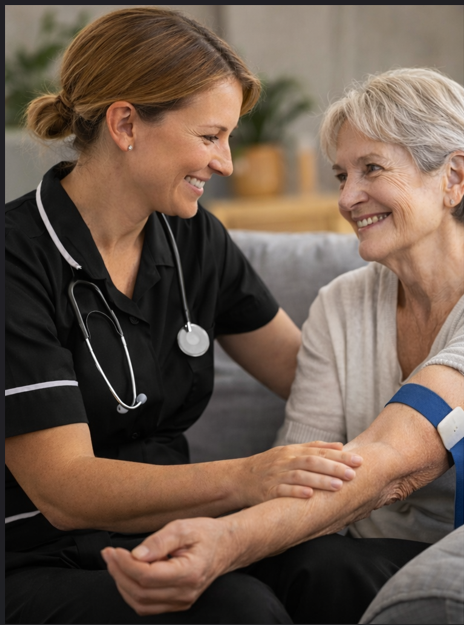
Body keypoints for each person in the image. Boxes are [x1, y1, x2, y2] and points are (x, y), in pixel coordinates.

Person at [5, 7, 363, 625]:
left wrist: (431, 406)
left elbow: (312, 373)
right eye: (209, 136)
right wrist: (250, 479)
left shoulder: (192, 240)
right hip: (40, 560)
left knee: (347, 575)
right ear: (125, 124)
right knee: (240, 613)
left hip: (176, 533)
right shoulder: (17, 256)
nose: (225, 162)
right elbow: (63, 489)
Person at [101, 68, 464, 624]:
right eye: (341, 175)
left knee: (314, 567)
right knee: (296, 566)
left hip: (445, 565)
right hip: (342, 557)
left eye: (372, 169)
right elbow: (300, 469)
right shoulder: (340, 304)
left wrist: (226, 541)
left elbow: (390, 463)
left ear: (454, 178)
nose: (347, 197)